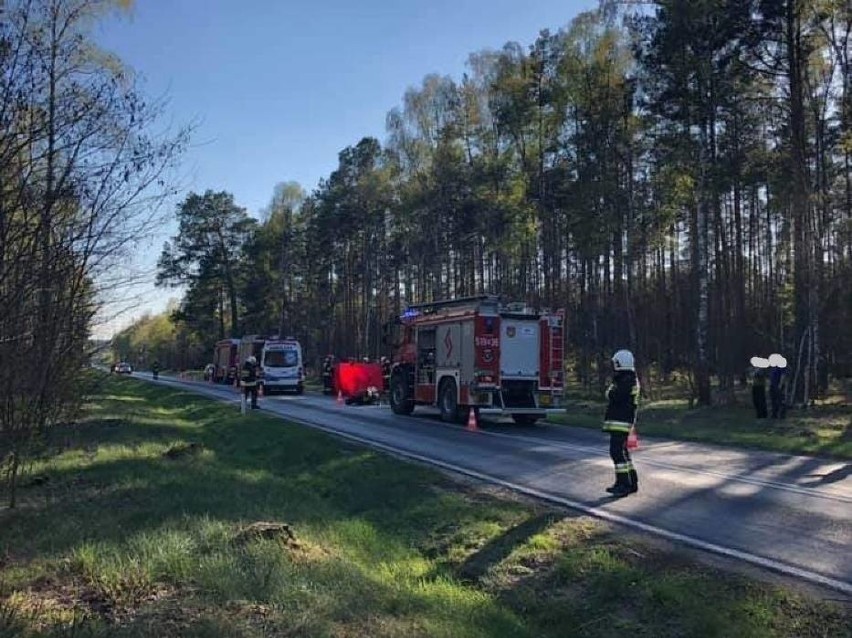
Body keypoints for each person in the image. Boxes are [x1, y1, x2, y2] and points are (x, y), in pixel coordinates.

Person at [602, 349, 640, 497]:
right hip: (621, 421)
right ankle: (631, 482)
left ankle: (623, 484)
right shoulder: (626, 378)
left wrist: (612, 391)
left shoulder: (627, 379)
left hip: (621, 422)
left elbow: (613, 395)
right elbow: (610, 394)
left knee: (617, 452)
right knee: (622, 452)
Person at [768, 354, 788, 419]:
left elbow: (783, 375)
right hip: (773, 384)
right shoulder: (773, 366)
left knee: (780, 400)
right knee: (773, 400)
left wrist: (780, 384)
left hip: (778, 385)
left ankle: (782, 415)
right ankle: (774, 414)